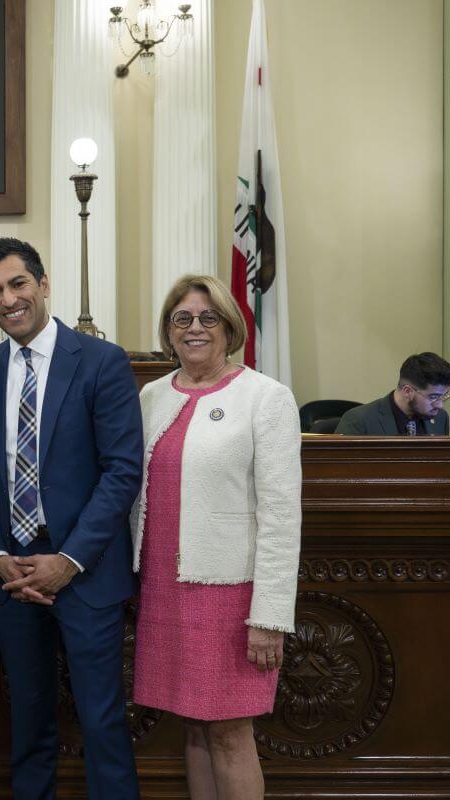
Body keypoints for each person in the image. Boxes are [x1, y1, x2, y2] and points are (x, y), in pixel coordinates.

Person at [0, 238, 143, 800]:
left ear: (43, 285)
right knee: (28, 726)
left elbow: (122, 472)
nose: (8, 299)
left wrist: (67, 560)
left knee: (103, 726)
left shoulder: (100, 361)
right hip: (14, 581)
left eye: (18, 284)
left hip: (84, 576)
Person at [132, 274, 301, 799]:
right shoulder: (151, 396)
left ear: (230, 327)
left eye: (208, 318)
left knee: (230, 729)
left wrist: (269, 617)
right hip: (164, 590)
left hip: (230, 596)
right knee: (192, 724)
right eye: (182, 318)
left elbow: (280, 514)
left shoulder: (265, 398)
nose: (195, 328)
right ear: (168, 331)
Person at [335, 352, 449, 435]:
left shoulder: (441, 418)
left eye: (444, 396)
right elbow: (340, 467)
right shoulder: (358, 421)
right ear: (407, 391)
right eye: (433, 397)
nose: (440, 405)